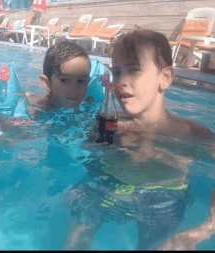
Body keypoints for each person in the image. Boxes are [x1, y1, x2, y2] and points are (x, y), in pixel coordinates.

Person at [62, 28, 215, 250]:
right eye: (116, 72)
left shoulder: (191, 133)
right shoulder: (110, 123)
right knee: (73, 239)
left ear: (165, 78)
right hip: (106, 185)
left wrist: (205, 229)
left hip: (163, 196)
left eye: (133, 70)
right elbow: (90, 156)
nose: (121, 80)